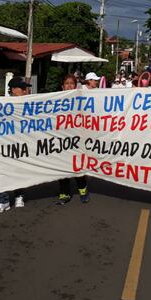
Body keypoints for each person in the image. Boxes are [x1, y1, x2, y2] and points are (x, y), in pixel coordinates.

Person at [0, 76, 31, 213]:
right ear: (14, 90)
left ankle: (19, 196)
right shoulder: (2, 104)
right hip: (4, 143)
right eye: (23, 88)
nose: (26, 91)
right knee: (2, 170)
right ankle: (3, 200)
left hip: (20, 143)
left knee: (18, 169)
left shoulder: (28, 103)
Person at [55, 74, 90, 206]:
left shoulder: (81, 99)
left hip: (77, 140)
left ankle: (83, 191)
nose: (69, 86)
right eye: (67, 84)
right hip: (61, 141)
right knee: (63, 168)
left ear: (76, 86)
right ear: (62, 86)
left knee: (78, 168)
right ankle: (64, 193)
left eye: (72, 83)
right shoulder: (55, 100)